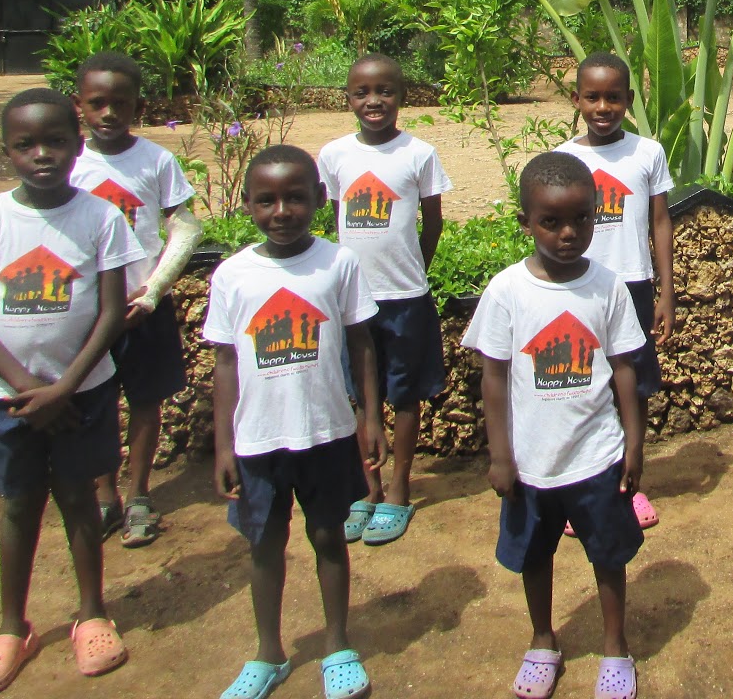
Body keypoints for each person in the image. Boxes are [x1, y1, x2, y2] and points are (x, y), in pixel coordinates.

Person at [0, 88, 146, 695]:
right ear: (6, 150)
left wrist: (67, 386)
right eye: (25, 144)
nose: (41, 155)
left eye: (55, 142)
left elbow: (111, 312)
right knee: (19, 504)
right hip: (10, 398)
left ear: (77, 146)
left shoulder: (100, 218)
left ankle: (93, 614)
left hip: (83, 391)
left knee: (80, 498)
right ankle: (12, 629)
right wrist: (30, 388)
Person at [464, 152, 647, 699]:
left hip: (597, 456)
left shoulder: (608, 287)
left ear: (595, 215)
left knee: (608, 557)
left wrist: (634, 444)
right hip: (531, 462)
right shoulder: (507, 291)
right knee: (534, 556)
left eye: (581, 219)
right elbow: (494, 378)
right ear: (525, 222)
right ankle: (543, 640)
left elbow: (624, 370)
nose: (569, 233)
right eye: (551, 221)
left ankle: (615, 647)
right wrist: (501, 455)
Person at [206, 144, 385, 699]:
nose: (281, 211)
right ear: (246, 204)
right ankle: (269, 653)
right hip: (257, 440)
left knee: (329, 536)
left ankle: (337, 645)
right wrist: (224, 445)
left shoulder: (339, 263)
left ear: (320, 199)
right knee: (264, 545)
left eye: (295, 198)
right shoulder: (233, 275)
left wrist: (370, 416)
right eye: (266, 200)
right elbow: (226, 363)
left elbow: (361, 343)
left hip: (326, 432)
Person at [317, 53, 450, 547]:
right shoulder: (334, 155)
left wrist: (414, 270)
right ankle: (367, 488)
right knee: (360, 393)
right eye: (362, 93)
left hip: (406, 297)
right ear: (348, 98)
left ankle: (398, 490)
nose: (374, 101)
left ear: (402, 97)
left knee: (404, 394)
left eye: (385, 91)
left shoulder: (419, 154)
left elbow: (433, 223)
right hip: (353, 301)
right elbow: (338, 220)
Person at [71, 51, 203, 547]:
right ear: (79, 105)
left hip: (141, 306)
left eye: (120, 103)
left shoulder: (155, 161)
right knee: (96, 403)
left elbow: (184, 226)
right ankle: (105, 493)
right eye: (97, 103)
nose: (109, 113)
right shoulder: (70, 165)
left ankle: (139, 494)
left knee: (146, 401)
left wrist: (153, 290)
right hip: (86, 313)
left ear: (138, 107)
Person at [554, 52, 673, 531]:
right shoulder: (564, 159)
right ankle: (582, 487)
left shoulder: (647, 153)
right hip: (578, 288)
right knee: (584, 385)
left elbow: (660, 222)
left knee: (634, 386)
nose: (603, 107)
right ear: (576, 99)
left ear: (629, 99)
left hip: (633, 285)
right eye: (592, 97)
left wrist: (666, 291)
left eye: (614, 98)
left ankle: (632, 481)